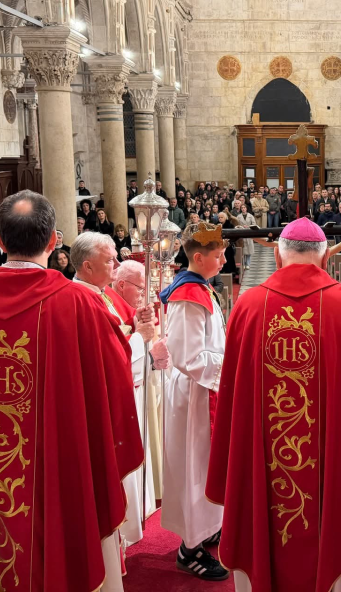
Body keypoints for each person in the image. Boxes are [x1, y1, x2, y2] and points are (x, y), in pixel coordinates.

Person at [0, 190, 144, 592]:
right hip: (59, 472)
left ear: (1, 242)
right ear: (52, 241)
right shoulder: (80, 303)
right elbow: (115, 380)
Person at [206, 217, 341, 592]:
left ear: (278, 255)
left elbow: (232, 396)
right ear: (325, 258)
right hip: (338, 465)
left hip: (264, 467)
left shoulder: (248, 307)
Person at [71, 232, 168, 558]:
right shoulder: (83, 300)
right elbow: (113, 360)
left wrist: (135, 326)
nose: (116, 265)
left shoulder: (100, 296)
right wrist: (140, 338)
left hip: (122, 394)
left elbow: (118, 336)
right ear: (86, 266)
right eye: (109, 260)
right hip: (107, 401)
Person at [158, 223, 229, 580]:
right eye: (218, 256)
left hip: (203, 390)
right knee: (195, 468)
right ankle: (190, 548)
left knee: (204, 465)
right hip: (195, 395)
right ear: (198, 258)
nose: (223, 260)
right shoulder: (189, 294)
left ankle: (208, 527)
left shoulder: (200, 288)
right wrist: (230, 369)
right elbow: (187, 355)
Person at [110, 260, 170, 530]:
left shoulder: (118, 303)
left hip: (139, 386)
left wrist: (140, 330)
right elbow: (114, 357)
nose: (144, 294)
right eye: (140, 287)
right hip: (126, 392)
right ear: (122, 285)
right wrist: (141, 339)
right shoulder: (101, 302)